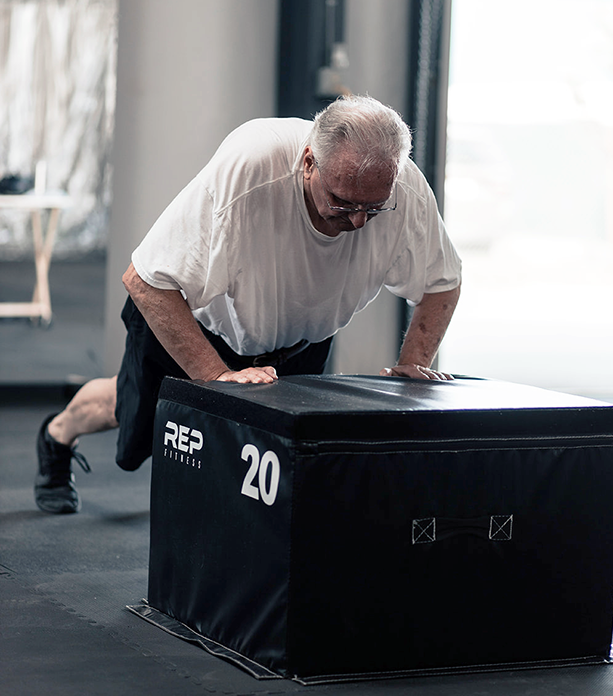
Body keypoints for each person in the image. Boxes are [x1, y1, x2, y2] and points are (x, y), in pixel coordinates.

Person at [35, 94, 462, 514]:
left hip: (297, 342)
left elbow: (443, 281)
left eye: (373, 209)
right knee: (132, 423)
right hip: (194, 324)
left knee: (273, 461)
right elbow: (145, 281)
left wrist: (413, 364)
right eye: (343, 202)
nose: (356, 221)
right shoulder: (252, 167)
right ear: (308, 162)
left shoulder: (401, 187)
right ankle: (57, 434)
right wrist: (218, 376)